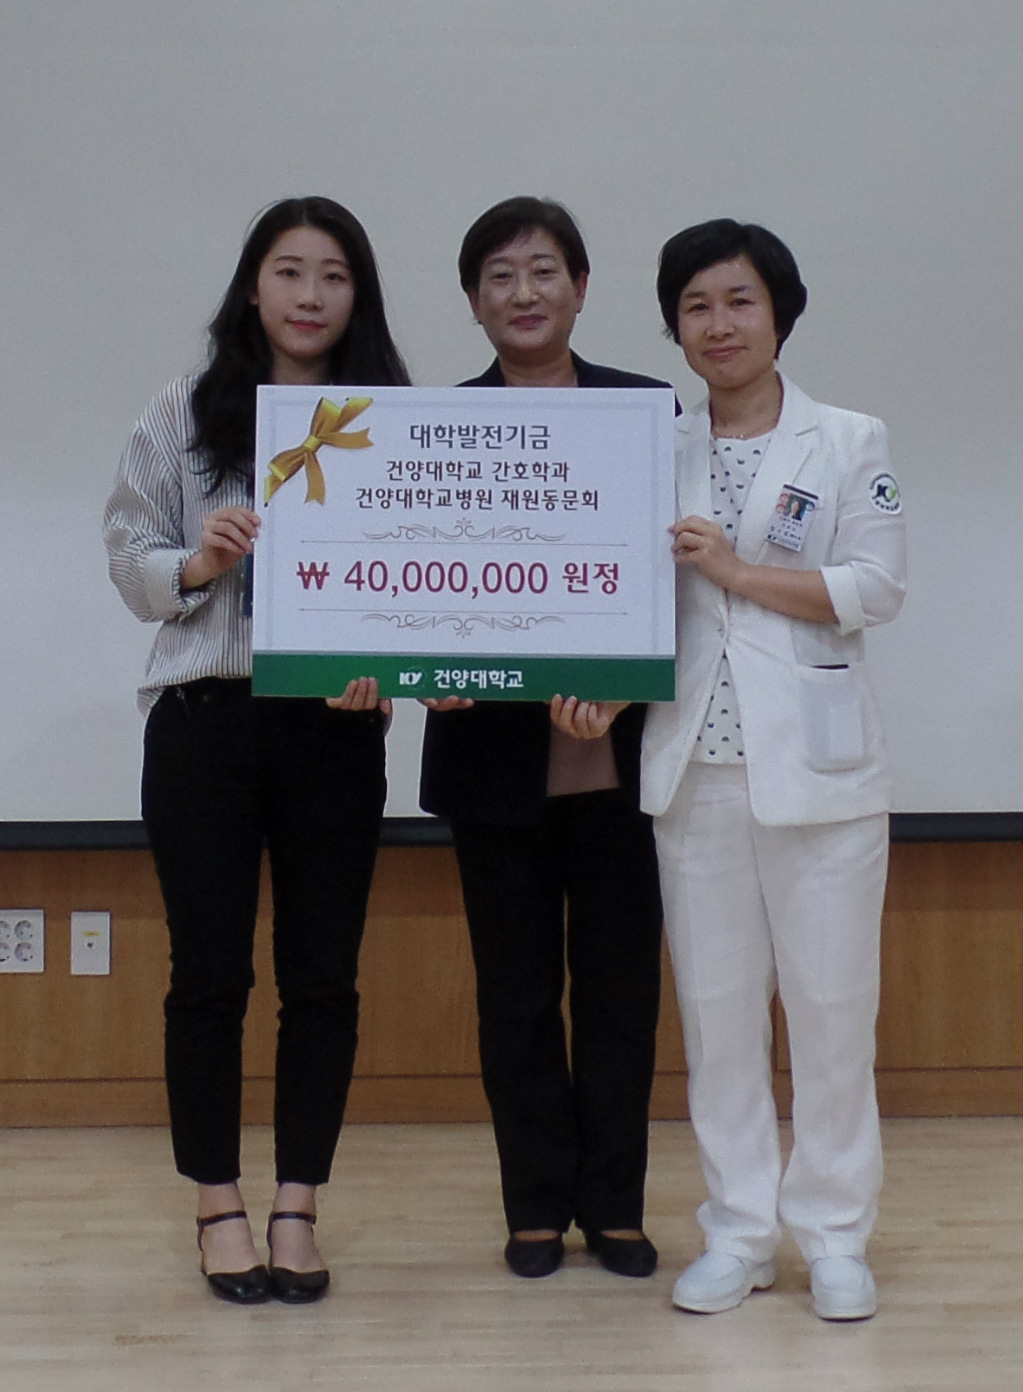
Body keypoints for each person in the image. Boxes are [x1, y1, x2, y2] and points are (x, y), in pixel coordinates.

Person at [104, 197, 409, 1304]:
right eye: (289, 271)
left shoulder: (396, 424)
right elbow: (128, 556)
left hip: (333, 725)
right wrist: (198, 564)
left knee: (323, 975)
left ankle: (296, 1206)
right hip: (207, 720)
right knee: (209, 973)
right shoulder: (181, 412)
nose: (310, 295)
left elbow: (418, 581)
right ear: (252, 286)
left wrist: (391, 668)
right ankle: (218, 1203)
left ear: (358, 297)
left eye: (334, 275)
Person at [640, 219, 906, 1320]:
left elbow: (874, 588)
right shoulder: (654, 447)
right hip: (694, 771)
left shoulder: (846, 439)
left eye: (739, 301)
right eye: (696, 306)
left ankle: (835, 1236)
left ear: (779, 312)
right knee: (716, 1022)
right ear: (675, 328)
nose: (719, 324)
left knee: (833, 1015)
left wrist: (738, 571)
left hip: (820, 775)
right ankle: (739, 1232)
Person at [419, 197, 668, 1280]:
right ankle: (533, 1205)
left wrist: (622, 689)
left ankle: (613, 1204)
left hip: (625, 766)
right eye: (500, 276)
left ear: (580, 287)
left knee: (620, 996)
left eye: (544, 271)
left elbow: (675, 578)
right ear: (474, 301)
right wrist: (425, 670)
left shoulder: (647, 411)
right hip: (492, 766)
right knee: (515, 996)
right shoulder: (430, 429)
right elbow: (413, 583)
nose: (524, 293)